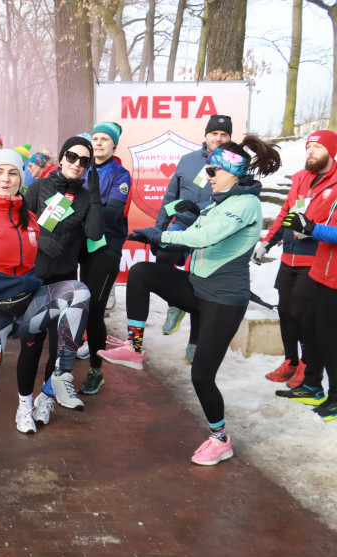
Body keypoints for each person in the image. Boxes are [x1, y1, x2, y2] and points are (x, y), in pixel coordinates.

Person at [100, 136, 282, 464]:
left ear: (232, 172)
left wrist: (162, 234)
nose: (207, 175)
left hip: (223, 301)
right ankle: (135, 349)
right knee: (142, 273)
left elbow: (205, 237)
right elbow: (195, 233)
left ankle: (220, 438)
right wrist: (168, 227)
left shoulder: (246, 204)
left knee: (201, 375)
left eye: (213, 169)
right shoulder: (222, 201)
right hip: (198, 287)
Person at [0, 150, 91, 480]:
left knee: (77, 292)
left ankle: (60, 378)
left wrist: (78, 200)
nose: (6, 179)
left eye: (13, 173)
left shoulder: (28, 216)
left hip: (25, 309)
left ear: (22, 179)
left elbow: (48, 240)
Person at [16, 136, 104, 423]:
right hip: (35, 279)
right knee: (31, 345)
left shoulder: (85, 195)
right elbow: (18, 224)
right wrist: (39, 239)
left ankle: (45, 399)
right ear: (62, 157)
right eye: (72, 157)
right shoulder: (41, 186)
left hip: (66, 280)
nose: (77, 164)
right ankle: (23, 406)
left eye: (84, 160)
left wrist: (93, 195)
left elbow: (94, 233)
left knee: (58, 350)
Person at [256, 129, 337, 390]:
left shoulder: (335, 181)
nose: (310, 152)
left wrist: (311, 229)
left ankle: (306, 365)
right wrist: (268, 242)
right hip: (289, 256)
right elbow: (287, 212)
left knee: (300, 312)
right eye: (308, 147)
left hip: (314, 259)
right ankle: (290, 360)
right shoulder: (302, 177)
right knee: (284, 312)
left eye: (318, 147)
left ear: (331, 152)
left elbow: (324, 224)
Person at [154, 115, 233, 359]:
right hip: (184, 225)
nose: (218, 138)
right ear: (206, 135)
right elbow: (170, 196)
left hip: (213, 230)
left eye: (224, 135)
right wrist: (160, 229)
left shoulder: (234, 163)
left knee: (200, 281)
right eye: (214, 133)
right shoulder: (187, 161)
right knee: (164, 255)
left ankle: (195, 342)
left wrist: (197, 206)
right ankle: (174, 304)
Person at [78, 121, 132, 395]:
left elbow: (111, 214)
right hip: (78, 245)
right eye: (95, 137)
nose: (98, 143)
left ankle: (95, 370)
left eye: (104, 139)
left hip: (105, 247)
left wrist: (80, 213)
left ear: (114, 145)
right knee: (73, 304)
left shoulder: (120, 175)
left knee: (94, 309)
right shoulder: (81, 167)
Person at [280, 207, 337, 421]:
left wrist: (311, 228)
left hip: (335, 281)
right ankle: (312, 385)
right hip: (321, 273)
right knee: (310, 331)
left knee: (329, 340)